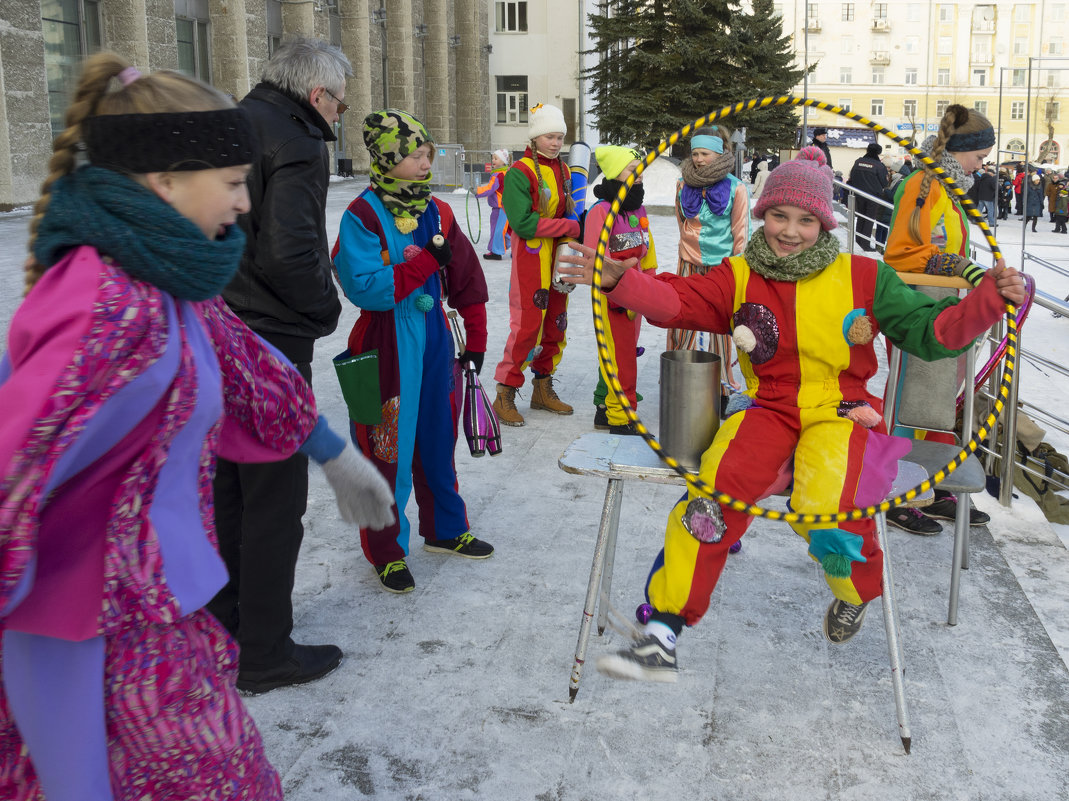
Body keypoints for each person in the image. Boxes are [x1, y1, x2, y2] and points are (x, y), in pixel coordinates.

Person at [0, 53, 394, 799]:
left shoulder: (163, 280)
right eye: (235, 181)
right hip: (87, 643)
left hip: (156, 622)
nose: (246, 203)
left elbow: (247, 365)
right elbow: (15, 477)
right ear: (166, 181)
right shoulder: (108, 309)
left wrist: (335, 453)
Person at [555, 147, 1025, 681]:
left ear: (824, 223)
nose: (790, 231)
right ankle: (663, 630)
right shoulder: (738, 276)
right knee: (715, 489)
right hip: (769, 407)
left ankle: (855, 589)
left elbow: (930, 331)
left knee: (827, 502)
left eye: (805, 220)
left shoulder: (864, 277)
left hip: (842, 411)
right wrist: (620, 279)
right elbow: (677, 300)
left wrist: (988, 299)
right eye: (779, 215)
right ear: (762, 215)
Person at [209, 37, 355, 694]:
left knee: (229, 491)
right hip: (270, 337)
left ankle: (226, 625)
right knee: (273, 500)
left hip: (218, 329)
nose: (339, 117)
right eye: (341, 105)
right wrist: (323, 311)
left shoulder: (236, 120)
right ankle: (264, 650)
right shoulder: (297, 139)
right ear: (317, 95)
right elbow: (292, 252)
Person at [331, 109, 494, 594]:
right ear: (387, 158)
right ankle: (386, 550)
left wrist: (477, 340)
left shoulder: (439, 211)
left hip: (435, 338)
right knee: (385, 449)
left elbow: (465, 279)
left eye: (427, 153)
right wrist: (424, 260)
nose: (427, 162)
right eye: (416, 155)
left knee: (437, 438)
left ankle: (445, 529)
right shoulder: (361, 215)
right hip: (385, 342)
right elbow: (365, 288)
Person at [884, 103, 1001, 533]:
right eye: (980, 155)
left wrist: (964, 270)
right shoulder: (923, 184)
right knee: (908, 401)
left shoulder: (947, 187)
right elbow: (902, 251)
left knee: (933, 404)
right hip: (916, 307)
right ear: (962, 149)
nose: (983, 163)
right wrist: (961, 268)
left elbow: (938, 247)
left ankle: (934, 487)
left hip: (941, 305)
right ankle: (898, 491)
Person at [491, 102, 580, 427]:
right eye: (549, 137)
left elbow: (566, 211)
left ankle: (542, 387)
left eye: (559, 137)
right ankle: (505, 392)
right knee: (528, 324)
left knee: (556, 322)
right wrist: (568, 227)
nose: (555, 143)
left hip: (559, 257)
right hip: (531, 259)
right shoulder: (520, 172)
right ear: (535, 138)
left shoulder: (564, 170)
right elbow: (524, 223)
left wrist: (573, 225)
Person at [669, 127, 750, 394]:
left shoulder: (737, 188)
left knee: (719, 324)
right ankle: (679, 375)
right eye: (695, 153)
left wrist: (738, 270)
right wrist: (686, 254)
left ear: (719, 154)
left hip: (722, 266)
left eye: (705, 153)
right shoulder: (682, 184)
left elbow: (741, 231)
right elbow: (681, 223)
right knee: (682, 317)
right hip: (688, 262)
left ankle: (722, 384)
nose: (699, 159)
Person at [584, 146, 658, 435]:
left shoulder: (636, 208)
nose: (638, 176)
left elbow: (647, 247)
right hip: (613, 296)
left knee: (623, 353)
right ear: (615, 174)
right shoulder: (600, 212)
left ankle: (605, 408)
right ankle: (620, 417)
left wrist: (651, 280)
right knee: (620, 357)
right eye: (632, 170)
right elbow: (594, 259)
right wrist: (619, 283)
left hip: (636, 294)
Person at [847, 142, 888, 252]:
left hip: (858, 194)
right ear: (878, 153)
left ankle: (858, 241)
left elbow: (851, 177)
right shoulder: (879, 166)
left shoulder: (858, 162)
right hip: (873, 196)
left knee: (861, 217)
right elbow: (884, 183)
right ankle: (865, 244)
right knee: (869, 219)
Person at [475, 148, 511, 260]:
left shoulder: (498, 175)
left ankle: (496, 252)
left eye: (496, 158)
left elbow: (490, 188)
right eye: (493, 158)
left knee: (497, 230)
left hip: (500, 207)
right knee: (505, 229)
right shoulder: (507, 173)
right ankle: (514, 247)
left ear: (503, 162)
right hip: (506, 206)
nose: (493, 160)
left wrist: (478, 191)